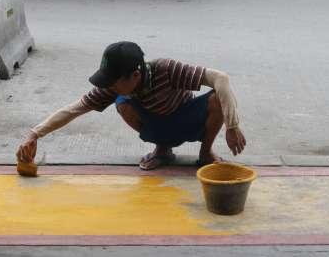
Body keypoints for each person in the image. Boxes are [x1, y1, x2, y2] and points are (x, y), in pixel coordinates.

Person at [16, 41, 246, 170]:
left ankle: (205, 154)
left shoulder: (166, 69)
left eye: (114, 81)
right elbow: (75, 109)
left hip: (187, 120)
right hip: (159, 126)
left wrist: (232, 125)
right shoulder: (114, 87)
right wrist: (34, 134)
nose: (109, 86)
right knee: (122, 102)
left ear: (135, 75)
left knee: (218, 97)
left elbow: (221, 78)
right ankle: (163, 149)